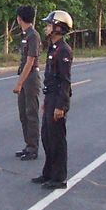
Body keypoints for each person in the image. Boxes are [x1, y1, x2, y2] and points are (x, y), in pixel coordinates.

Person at [32, 10, 74, 190]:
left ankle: (59, 178)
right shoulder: (53, 47)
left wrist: (61, 106)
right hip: (50, 97)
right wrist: (47, 101)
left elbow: (65, 81)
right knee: (47, 137)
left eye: (49, 24)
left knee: (57, 139)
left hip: (58, 98)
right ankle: (48, 172)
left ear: (58, 27)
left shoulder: (64, 50)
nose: (46, 27)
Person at [13, 5, 41, 161]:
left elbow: (30, 61)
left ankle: (33, 148)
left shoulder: (33, 35)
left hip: (30, 78)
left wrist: (19, 83)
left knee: (31, 113)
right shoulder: (24, 35)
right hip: (24, 76)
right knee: (23, 113)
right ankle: (28, 144)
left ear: (19, 18)